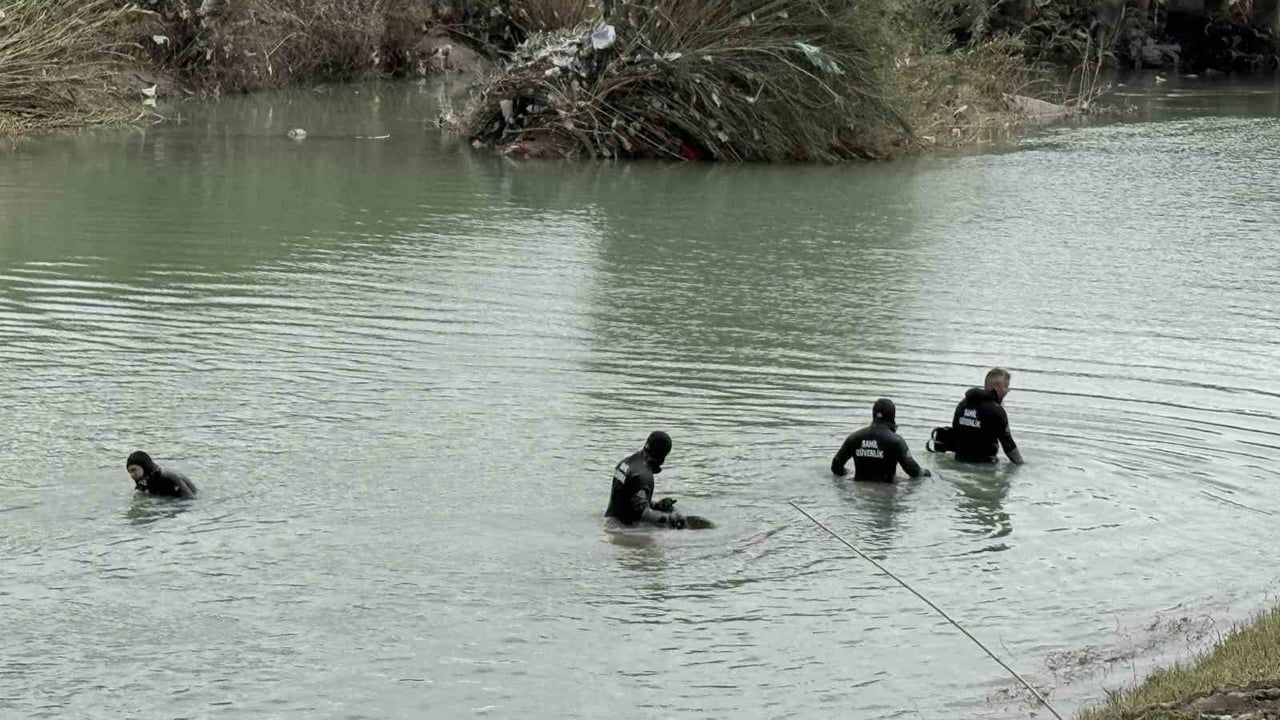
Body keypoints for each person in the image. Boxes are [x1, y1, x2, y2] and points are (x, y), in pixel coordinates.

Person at [831, 398, 931, 482]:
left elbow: (836, 466)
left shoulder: (854, 437)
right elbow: (914, 472)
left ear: (873, 415)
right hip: (886, 491)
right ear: (893, 416)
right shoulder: (896, 441)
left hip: (859, 491)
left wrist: (848, 472)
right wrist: (925, 473)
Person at [605, 431, 686, 529]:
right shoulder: (644, 475)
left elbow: (629, 500)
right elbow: (642, 513)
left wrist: (656, 505)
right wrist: (669, 518)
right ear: (663, 456)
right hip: (623, 529)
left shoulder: (625, 463)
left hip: (610, 522)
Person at [951, 368, 1024, 464]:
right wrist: (1022, 465)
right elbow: (1008, 445)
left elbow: (955, 432)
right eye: (1006, 387)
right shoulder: (996, 411)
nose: (1007, 391)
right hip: (985, 465)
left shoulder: (963, 404)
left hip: (959, 460)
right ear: (998, 387)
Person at [127, 451, 198, 498]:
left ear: (144, 466)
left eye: (134, 470)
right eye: (129, 472)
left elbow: (190, 499)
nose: (132, 475)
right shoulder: (146, 480)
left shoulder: (167, 477)